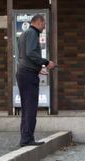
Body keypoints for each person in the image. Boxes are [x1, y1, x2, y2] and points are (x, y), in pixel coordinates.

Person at [16, 14, 56, 147]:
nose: (44, 27)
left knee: (26, 107)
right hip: (28, 75)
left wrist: (38, 69)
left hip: (23, 72)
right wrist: (46, 62)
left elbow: (22, 56)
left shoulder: (24, 34)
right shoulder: (33, 33)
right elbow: (31, 53)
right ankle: (27, 139)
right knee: (31, 107)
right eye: (44, 24)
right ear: (38, 22)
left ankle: (25, 138)